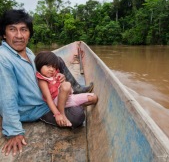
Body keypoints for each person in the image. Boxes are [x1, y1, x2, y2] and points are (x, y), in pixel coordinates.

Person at [0, 9, 94, 156]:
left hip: (46, 93)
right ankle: (71, 95)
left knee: (56, 61)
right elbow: (7, 96)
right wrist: (13, 131)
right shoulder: (3, 59)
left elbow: (39, 74)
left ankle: (76, 89)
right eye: (12, 30)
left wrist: (57, 76)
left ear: (29, 34)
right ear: (4, 34)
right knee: (78, 116)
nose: (19, 35)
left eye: (23, 30)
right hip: (35, 108)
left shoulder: (28, 52)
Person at [35, 51, 98, 127]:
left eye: (54, 67)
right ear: (39, 65)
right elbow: (48, 99)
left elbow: (62, 84)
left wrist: (62, 77)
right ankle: (62, 114)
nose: (51, 69)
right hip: (57, 102)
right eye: (48, 66)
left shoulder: (55, 73)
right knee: (67, 85)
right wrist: (57, 114)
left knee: (94, 98)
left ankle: (75, 105)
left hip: (67, 98)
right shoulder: (42, 80)